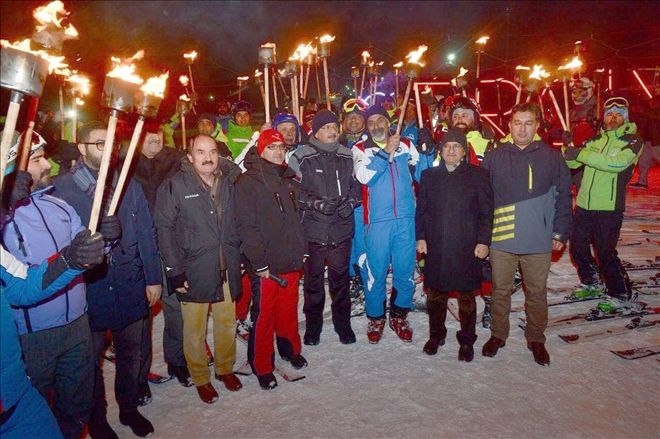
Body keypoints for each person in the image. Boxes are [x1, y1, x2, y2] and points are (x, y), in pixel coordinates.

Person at [2, 132, 120, 439]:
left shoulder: (59, 206)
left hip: (77, 325)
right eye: (38, 160)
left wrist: (105, 241)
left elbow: (86, 256)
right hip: (34, 336)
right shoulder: (4, 220)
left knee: (77, 402)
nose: (48, 165)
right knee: (40, 407)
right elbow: (20, 284)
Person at [52, 121, 162, 438]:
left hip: (129, 283)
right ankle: (97, 419)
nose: (109, 150)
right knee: (91, 361)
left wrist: (153, 278)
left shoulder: (128, 183)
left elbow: (146, 233)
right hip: (89, 290)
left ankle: (128, 409)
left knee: (131, 354)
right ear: (82, 147)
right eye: (100, 143)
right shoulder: (62, 190)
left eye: (112, 143)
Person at [481, 103, 572, 366]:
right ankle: (498, 335)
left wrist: (560, 231)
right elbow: (484, 199)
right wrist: (482, 234)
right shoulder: (495, 156)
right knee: (500, 290)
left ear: (537, 126)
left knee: (536, 292)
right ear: (509, 125)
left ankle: (536, 339)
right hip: (502, 236)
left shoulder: (551, 157)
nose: (522, 128)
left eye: (528, 123)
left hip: (538, 236)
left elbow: (565, 196)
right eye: (517, 122)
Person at [155, 134, 243, 404]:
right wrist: (174, 270)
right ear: (190, 157)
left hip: (225, 264)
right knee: (194, 329)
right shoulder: (174, 186)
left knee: (227, 322)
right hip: (193, 269)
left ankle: (225, 368)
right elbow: (164, 230)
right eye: (201, 152)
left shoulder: (228, 182)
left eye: (213, 151)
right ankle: (201, 377)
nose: (208, 157)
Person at [234, 129, 308, 390]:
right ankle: (261, 364)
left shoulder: (289, 179)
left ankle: (289, 349)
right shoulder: (248, 182)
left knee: (288, 311)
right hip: (266, 266)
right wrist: (258, 262)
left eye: (281, 147)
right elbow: (246, 226)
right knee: (264, 316)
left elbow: (297, 220)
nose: (278, 152)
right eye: (272, 147)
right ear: (260, 149)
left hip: (290, 259)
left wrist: (302, 249)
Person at [415, 128, 493, 361]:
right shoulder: (429, 176)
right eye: (447, 146)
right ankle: (436, 335)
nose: (451, 150)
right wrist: (421, 237)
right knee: (436, 296)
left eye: (456, 147)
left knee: (467, 298)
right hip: (437, 246)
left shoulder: (478, 175)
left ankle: (467, 340)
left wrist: (483, 241)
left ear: (463, 152)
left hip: (466, 247)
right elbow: (422, 211)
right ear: (440, 150)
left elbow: (486, 213)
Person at [563, 97, 644, 314]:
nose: (613, 117)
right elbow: (573, 163)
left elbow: (615, 164)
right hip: (583, 205)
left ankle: (620, 293)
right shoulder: (593, 141)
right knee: (578, 246)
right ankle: (591, 282)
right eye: (610, 113)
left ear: (625, 118)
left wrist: (581, 153)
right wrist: (568, 147)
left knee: (605, 252)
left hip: (609, 207)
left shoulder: (633, 141)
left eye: (618, 114)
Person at [131, 122, 191, 403]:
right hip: (137, 252)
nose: (154, 138)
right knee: (139, 320)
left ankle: (177, 362)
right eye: (147, 133)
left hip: (169, 248)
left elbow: (213, 165)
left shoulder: (176, 161)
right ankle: (137, 378)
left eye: (158, 133)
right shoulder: (125, 164)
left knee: (176, 311)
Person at [288, 110, 359, 345]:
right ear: (316, 131)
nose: (332, 131)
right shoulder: (301, 156)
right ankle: (313, 327)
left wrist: (350, 202)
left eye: (334, 127)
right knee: (313, 282)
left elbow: (355, 186)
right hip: (314, 231)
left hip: (341, 229)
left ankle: (343, 325)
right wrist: (314, 203)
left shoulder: (347, 155)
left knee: (340, 281)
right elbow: (291, 190)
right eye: (326, 127)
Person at [353, 105, 419, 343]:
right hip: (377, 222)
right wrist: (384, 154)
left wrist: (431, 149)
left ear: (389, 122)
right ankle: (376, 317)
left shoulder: (406, 146)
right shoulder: (360, 148)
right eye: (370, 123)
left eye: (380, 121)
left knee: (404, 271)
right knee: (375, 272)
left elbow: (423, 172)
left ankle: (400, 315)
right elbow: (364, 177)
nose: (375, 126)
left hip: (405, 220)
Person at [631, 95, 660, 189]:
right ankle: (642, 182)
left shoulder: (654, 112)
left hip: (657, 142)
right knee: (643, 162)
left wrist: (641, 111)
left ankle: (642, 182)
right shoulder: (649, 112)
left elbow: (653, 116)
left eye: (654, 101)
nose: (651, 103)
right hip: (648, 141)